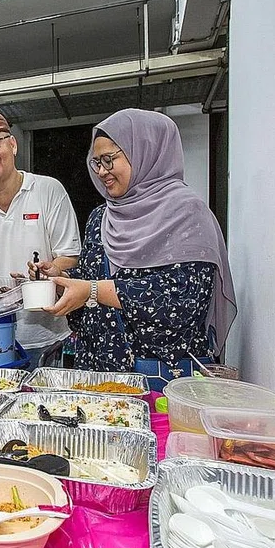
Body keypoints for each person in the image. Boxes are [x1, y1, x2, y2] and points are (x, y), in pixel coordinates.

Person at [34, 108, 236, 390]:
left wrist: (92, 290)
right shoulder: (100, 218)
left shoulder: (188, 214)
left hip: (160, 382)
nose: (101, 171)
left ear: (146, 153)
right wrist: (61, 282)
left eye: (109, 159)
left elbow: (183, 303)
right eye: (96, 162)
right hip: (97, 378)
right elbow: (92, 281)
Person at [0, 112, 81, 369]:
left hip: (44, 336)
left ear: (13, 144)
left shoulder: (48, 190)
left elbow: (70, 255)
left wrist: (50, 270)